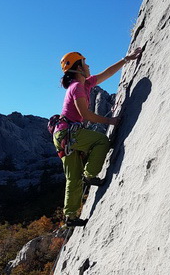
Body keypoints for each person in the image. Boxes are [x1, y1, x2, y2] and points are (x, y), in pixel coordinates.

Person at [53, 48, 142, 227]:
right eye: (84, 63)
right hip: (68, 134)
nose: (88, 65)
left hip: (62, 136)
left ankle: (70, 216)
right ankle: (90, 174)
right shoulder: (77, 87)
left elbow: (107, 73)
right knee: (102, 141)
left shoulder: (85, 84)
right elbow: (86, 115)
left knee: (73, 177)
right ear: (77, 69)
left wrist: (126, 59)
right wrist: (111, 121)